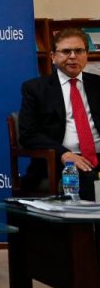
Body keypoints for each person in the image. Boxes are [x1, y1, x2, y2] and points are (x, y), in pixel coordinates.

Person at [19, 28, 100, 199]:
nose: (73, 56)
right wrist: (63, 153)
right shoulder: (35, 89)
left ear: (86, 55)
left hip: (97, 156)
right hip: (59, 161)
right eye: (66, 51)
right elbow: (28, 134)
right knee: (87, 178)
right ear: (53, 57)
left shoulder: (97, 85)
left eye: (79, 51)